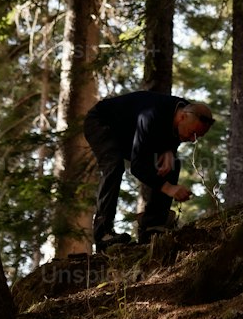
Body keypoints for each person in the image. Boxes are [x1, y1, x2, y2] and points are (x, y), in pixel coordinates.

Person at [83, 91, 214, 252]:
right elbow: (137, 167)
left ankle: (154, 226)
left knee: (172, 164)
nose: (193, 139)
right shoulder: (151, 116)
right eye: (193, 133)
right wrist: (169, 188)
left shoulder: (185, 109)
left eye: (198, 136)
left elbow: (173, 135)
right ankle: (103, 234)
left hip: (131, 132)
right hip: (102, 122)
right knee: (114, 165)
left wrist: (169, 150)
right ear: (182, 117)